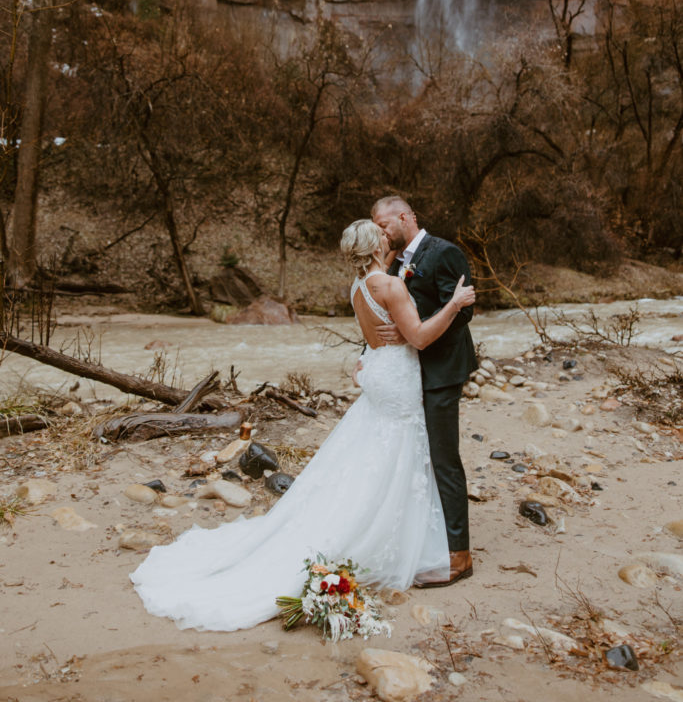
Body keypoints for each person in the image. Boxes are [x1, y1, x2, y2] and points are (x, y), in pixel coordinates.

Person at [130, 219, 475, 632]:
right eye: (381, 235)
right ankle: (391, 541)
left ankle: (379, 527)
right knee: (398, 453)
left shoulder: (358, 288)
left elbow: (381, 335)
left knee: (373, 453)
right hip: (397, 379)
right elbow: (417, 338)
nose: (388, 236)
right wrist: (454, 304)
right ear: (374, 245)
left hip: (378, 374)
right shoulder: (391, 286)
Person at [371, 195, 477, 587]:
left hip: (443, 371)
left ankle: (460, 557)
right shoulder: (395, 264)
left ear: (404, 217)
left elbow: (463, 310)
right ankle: (429, 540)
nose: (381, 234)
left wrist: (413, 334)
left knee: (445, 459)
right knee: (421, 458)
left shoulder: (444, 252)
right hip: (411, 372)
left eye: (383, 226)